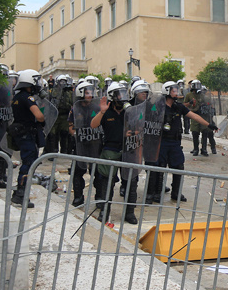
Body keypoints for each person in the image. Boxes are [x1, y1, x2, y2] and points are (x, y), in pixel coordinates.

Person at [146, 81, 217, 204]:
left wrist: (209, 125)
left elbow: (194, 116)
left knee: (178, 166)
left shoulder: (179, 106)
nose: (176, 93)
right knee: (159, 167)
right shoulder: (157, 105)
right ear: (167, 92)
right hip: (161, 141)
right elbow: (147, 117)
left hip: (174, 142)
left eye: (176, 90)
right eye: (173, 90)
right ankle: (155, 193)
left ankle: (176, 193)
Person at [90, 82, 136, 223]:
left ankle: (129, 213)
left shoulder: (129, 111)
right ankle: (104, 211)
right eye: (119, 94)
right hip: (110, 149)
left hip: (128, 149)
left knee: (130, 182)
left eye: (124, 94)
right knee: (107, 183)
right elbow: (93, 124)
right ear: (112, 96)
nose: (122, 97)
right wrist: (102, 111)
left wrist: (132, 132)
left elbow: (139, 126)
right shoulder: (106, 111)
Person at [10, 70, 46, 208]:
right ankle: (20, 195)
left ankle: (20, 192)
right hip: (27, 135)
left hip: (20, 133)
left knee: (27, 163)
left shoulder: (17, 97)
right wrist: (42, 121)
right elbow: (39, 116)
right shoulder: (28, 98)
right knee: (28, 163)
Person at [68, 81, 101, 207]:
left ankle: (99, 197)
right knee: (77, 172)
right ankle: (78, 196)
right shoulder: (75, 108)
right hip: (80, 144)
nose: (90, 95)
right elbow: (71, 126)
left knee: (97, 172)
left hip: (95, 143)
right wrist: (76, 135)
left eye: (91, 92)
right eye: (87, 92)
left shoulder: (96, 107)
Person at [45, 74, 74, 155]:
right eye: (61, 81)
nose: (63, 83)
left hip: (65, 115)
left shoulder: (69, 92)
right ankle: (53, 151)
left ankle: (64, 150)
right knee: (53, 134)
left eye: (64, 81)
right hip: (55, 115)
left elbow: (72, 102)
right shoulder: (52, 91)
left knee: (64, 133)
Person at [184, 79, 203, 156]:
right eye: (196, 85)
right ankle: (196, 149)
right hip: (194, 114)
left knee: (205, 132)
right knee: (195, 133)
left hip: (202, 115)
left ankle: (204, 149)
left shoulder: (202, 95)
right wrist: (190, 103)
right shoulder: (189, 95)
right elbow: (184, 105)